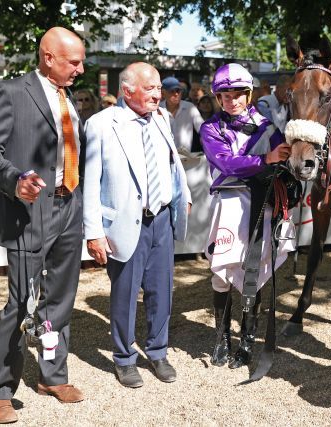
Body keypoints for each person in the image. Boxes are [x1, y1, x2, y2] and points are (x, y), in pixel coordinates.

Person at [0, 27, 87, 423]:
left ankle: (53, 375)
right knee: (20, 304)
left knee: (60, 300)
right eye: (74, 62)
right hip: (29, 210)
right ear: (48, 57)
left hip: (69, 205)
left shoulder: (68, 98)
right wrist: (15, 179)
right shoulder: (13, 91)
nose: (81, 69)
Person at [83, 62, 191, 388]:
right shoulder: (101, 124)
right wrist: (94, 233)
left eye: (159, 88)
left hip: (161, 221)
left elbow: (171, 163)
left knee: (162, 293)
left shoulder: (161, 119)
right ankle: (124, 358)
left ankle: (158, 352)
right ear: (127, 91)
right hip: (124, 225)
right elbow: (90, 183)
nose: (158, 95)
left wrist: (182, 194)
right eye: (150, 88)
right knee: (125, 295)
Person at [200, 63, 293, 369]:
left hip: (262, 203)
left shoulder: (269, 127)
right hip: (229, 201)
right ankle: (221, 337)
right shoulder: (211, 128)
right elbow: (226, 164)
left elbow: (286, 160)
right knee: (222, 272)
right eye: (225, 95)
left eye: (239, 93)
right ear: (218, 97)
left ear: (249, 94)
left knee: (255, 269)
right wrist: (265, 158)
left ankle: (248, 340)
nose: (232, 100)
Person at [160, 76, 204, 153]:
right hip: (163, 157)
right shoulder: (157, 109)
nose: (176, 94)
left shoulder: (190, 107)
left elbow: (202, 128)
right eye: (172, 91)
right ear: (163, 93)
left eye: (178, 91)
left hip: (185, 159)